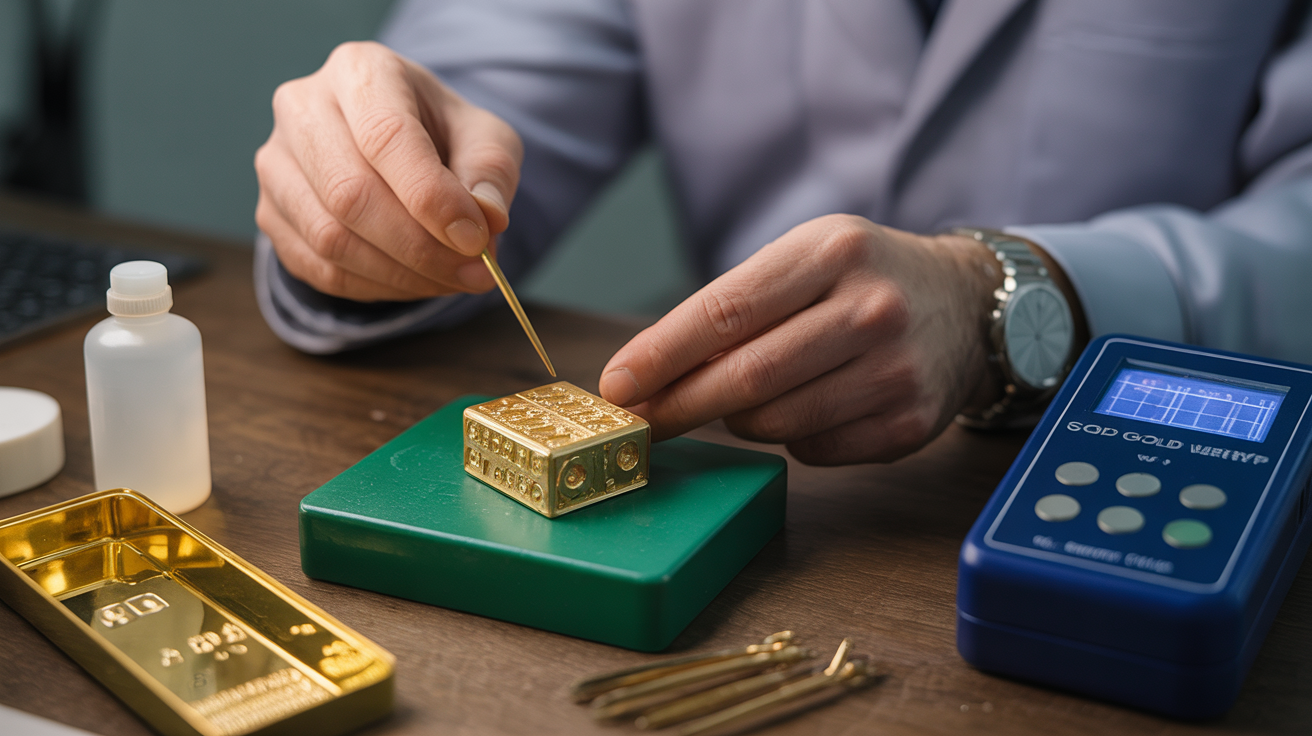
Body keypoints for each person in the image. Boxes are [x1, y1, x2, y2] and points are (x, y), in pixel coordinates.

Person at [253, 0, 1312, 465]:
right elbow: (475, 85)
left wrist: (1013, 299)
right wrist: (366, 193)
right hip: (775, 487)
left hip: (1138, 472)